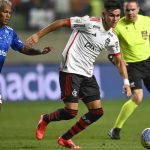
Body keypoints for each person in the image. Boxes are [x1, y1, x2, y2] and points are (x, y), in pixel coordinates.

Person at [26, 0, 131, 149]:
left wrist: (126, 82)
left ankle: (65, 139)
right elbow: (62, 22)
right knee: (71, 112)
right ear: (104, 14)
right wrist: (38, 35)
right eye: (111, 15)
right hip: (71, 68)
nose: (115, 19)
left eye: (117, 16)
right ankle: (45, 119)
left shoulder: (112, 38)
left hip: (87, 73)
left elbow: (120, 61)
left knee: (96, 112)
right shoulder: (89, 23)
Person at [108, 0, 150, 140]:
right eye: (127, 10)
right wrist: (116, 61)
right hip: (132, 66)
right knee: (138, 97)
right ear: (124, 11)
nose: (130, 13)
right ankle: (116, 129)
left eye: (133, 9)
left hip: (148, 62)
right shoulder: (118, 26)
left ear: (138, 9)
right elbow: (109, 47)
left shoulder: (147, 21)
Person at [0, 0, 52, 110]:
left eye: (9, 13)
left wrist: (39, 51)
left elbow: (23, 49)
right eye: (5, 12)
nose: (8, 15)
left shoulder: (9, 32)